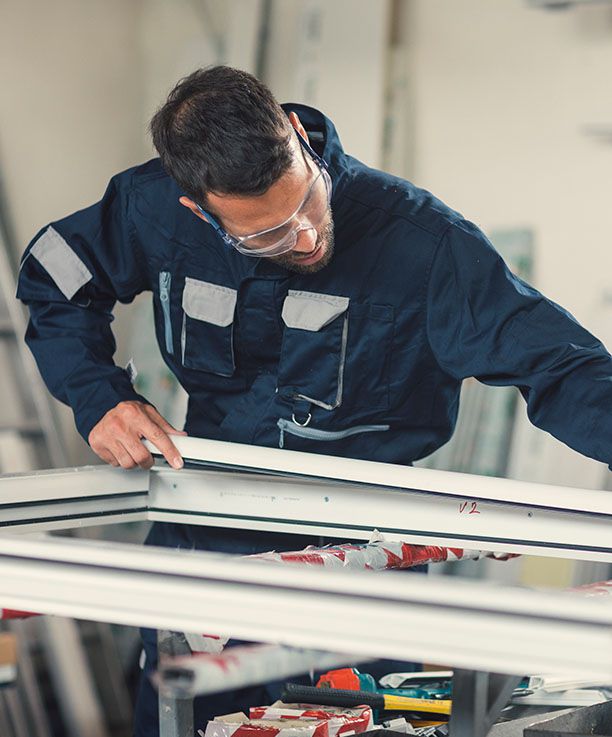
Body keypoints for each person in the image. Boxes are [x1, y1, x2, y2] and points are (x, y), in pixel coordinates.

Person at [17, 65, 612, 735]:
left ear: (299, 137)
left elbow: (562, 367)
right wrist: (99, 398)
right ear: (196, 207)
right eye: (264, 234)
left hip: (363, 562)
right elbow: (54, 275)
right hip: (207, 548)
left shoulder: (425, 244)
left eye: (308, 203)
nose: (304, 237)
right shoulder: (149, 206)